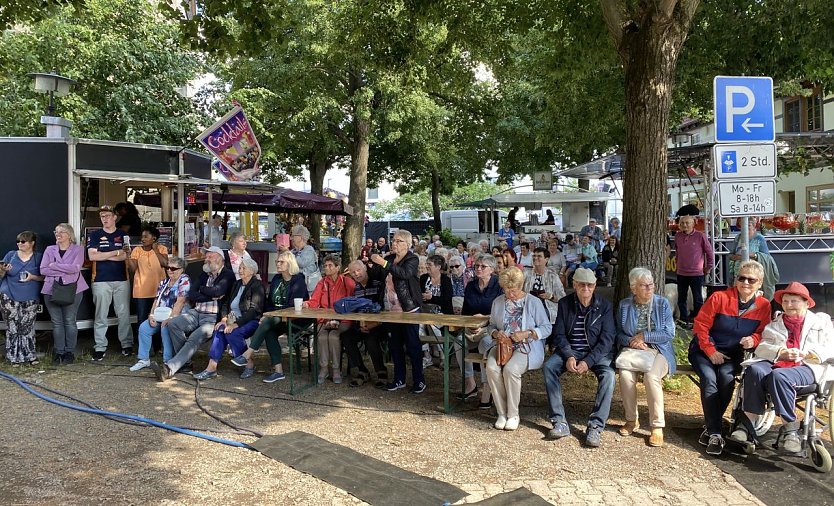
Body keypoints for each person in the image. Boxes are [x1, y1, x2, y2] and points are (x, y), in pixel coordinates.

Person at [731, 282, 834, 452]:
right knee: (755, 370)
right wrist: (780, 351)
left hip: (807, 367)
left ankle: (790, 430)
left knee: (780, 376)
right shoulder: (775, 324)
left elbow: (830, 347)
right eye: (785, 301)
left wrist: (808, 354)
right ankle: (747, 424)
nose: (789, 305)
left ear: (807, 303)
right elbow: (763, 346)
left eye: (794, 301)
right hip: (777, 362)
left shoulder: (821, 322)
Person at [689, 260, 771, 456]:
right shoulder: (719, 297)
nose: (745, 283)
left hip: (732, 354)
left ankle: (710, 427)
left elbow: (764, 332)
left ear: (759, 283)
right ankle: (716, 433)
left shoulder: (764, 305)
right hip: (703, 349)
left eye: (751, 280)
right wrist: (710, 351)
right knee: (709, 380)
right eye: (741, 278)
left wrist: (753, 339)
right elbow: (700, 326)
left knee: (726, 380)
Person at [544, 267, 616, 447]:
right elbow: (559, 334)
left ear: (595, 286)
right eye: (582, 284)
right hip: (571, 350)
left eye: (590, 285)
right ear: (574, 285)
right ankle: (559, 421)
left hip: (596, 353)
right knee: (549, 367)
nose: (586, 288)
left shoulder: (605, 306)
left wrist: (588, 361)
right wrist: (568, 355)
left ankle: (596, 426)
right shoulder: (564, 304)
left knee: (608, 376)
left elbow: (607, 340)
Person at [150, 246, 235, 381]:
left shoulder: (228, 275)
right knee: (173, 324)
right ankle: (185, 363)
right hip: (196, 312)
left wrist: (204, 291)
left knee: (195, 337)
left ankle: (169, 368)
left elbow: (218, 292)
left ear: (219, 259)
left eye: (209, 256)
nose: (206, 259)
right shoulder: (203, 275)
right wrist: (207, 292)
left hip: (213, 317)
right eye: (206, 256)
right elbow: (192, 294)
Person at [482, 267, 551, 431]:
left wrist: (527, 333)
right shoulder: (498, 301)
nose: (511, 294)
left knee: (511, 370)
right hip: (502, 345)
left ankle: (513, 414)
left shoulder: (533, 302)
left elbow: (547, 328)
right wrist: (494, 333)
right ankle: (502, 412)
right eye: (507, 290)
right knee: (491, 368)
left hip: (527, 346)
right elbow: (490, 325)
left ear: (521, 286)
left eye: (514, 290)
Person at [616, 268, 676, 447]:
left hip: (659, 350)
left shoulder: (662, 304)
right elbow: (618, 333)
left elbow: (668, 333)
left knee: (651, 377)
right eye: (644, 285)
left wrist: (644, 337)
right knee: (625, 375)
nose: (649, 289)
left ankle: (657, 426)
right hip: (634, 351)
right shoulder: (625, 305)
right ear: (634, 288)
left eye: (651, 285)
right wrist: (631, 341)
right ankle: (631, 420)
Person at [231, 251, 308, 382]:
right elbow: (269, 302)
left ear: (290, 264)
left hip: (295, 319)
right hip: (275, 319)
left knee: (267, 322)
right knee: (268, 331)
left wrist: (270, 315)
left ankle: (247, 354)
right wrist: (267, 314)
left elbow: (292, 306)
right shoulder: (277, 280)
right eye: (277, 262)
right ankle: (278, 371)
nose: (278, 264)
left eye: (281, 262)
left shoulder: (298, 281)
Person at [369, 229, 426, 393]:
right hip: (391, 309)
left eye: (398, 241)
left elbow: (405, 274)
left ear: (408, 244)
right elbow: (376, 276)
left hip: (409, 308)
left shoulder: (412, 259)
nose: (394, 243)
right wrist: (372, 262)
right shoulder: (389, 258)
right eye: (393, 240)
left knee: (413, 346)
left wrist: (383, 263)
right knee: (395, 346)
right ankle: (399, 378)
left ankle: (419, 380)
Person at [193, 258, 265, 380]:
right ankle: (211, 368)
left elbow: (254, 310)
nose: (240, 270)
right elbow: (226, 303)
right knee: (219, 329)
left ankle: (249, 364)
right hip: (232, 319)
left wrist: (236, 324)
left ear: (251, 271)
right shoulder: (237, 284)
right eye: (240, 267)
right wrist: (224, 319)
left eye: (243, 268)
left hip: (249, 321)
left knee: (233, 334)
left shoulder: (257, 285)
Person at [87, 205, 133, 360]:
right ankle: (100, 346)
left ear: (115, 217)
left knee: (123, 314)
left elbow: (125, 256)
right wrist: (115, 253)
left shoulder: (123, 234)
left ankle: (126, 344)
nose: (104, 219)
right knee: (101, 315)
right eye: (102, 216)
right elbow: (93, 257)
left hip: (121, 279)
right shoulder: (95, 235)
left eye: (107, 215)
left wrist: (104, 254)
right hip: (100, 280)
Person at [129, 256, 190, 371]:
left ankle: (167, 362)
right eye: (167, 267)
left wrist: (171, 318)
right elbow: (156, 300)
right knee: (144, 328)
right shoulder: (164, 282)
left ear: (181, 269)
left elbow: (181, 301)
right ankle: (143, 359)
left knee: (165, 328)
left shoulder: (184, 280)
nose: (169, 271)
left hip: (177, 316)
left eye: (173, 268)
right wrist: (151, 315)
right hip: (160, 315)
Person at [40, 223, 88, 364]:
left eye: (62, 232)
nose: (58, 234)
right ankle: (59, 352)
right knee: (57, 323)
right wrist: (64, 269)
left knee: (69, 322)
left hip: (72, 290)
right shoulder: (50, 249)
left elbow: (75, 268)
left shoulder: (78, 249)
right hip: (51, 290)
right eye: (56, 232)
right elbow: (43, 270)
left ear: (70, 235)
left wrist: (54, 266)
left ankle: (69, 352)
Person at [303, 255, 356, 384]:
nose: (326, 268)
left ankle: (336, 369)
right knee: (321, 337)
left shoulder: (347, 282)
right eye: (325, 265)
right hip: (324, 320)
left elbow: (353, 302)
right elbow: (315, 300)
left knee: (333, 336)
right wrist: (307, 304)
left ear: (338, 267)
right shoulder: (322, 282)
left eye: (330, 265)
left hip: (343, 320)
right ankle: (324, 368)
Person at [461, 254, 503, 407]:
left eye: (483, 266)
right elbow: (465, 311)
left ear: (491, 269)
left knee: (484, 344)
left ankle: (487, 388)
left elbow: (502, 315)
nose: (478, 269)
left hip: (490, 329)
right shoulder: (471, 286)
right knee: (458, 342)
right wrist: (470, 324)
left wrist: (484, 318)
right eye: (476, 266)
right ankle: (470, 383)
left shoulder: (499, 286)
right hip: (471, 328)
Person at [342, 260, 388, 387]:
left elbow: (384, 309)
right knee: (346, 336)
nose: (356, 274)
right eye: (353, 272)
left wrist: (372, 324)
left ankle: (381, 371)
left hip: (379, 324)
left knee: (371, 339)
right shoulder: (355, 288)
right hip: (361, 324)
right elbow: (354, 310)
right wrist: (360, 325)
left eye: (358, 270)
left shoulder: (378, 284)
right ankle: (362, 370)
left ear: (365, 269)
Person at [0, 231, 44, 366]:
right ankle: (13, 357)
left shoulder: (39, 257)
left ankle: (29, 355)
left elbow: (45, 277)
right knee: (12, 327)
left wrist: (32, 277)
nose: (20, 244)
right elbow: (1, 275)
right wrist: (3, 270)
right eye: (18, 241)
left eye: (23, 241)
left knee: (27, 327)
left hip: (30, 296)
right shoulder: (11, 255)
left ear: (32, 243)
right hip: (9, 295)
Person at [126, 226, 169, 334]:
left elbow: (165, 264)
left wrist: (155, 250)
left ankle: (157, 347)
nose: (142, 239)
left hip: (159, 291)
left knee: (158, 318)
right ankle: (143, 347)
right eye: (142, 237)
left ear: (154, 238)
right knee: (142, 319)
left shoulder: (162, 249)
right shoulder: (137, 250)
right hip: (141, 291)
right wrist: (127, 255)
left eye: (146, 237)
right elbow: (132, 269)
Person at [674, 215, 714, 326]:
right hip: (681, 272)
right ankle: (683, 320)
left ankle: (699, 322)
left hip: (696, 273)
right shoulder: (677, 236)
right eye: (682, 223)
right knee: (681, 298)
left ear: (693, 223)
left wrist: (709, 266)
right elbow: (677, 252)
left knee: (698, 299)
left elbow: (709, 252)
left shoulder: (700, 236)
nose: (684, 225)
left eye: (687, 223)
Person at [523, 247, 565, 324]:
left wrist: (551, 297)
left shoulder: (552, 276)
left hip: (546, 306)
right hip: (528, 306)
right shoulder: (526, 274)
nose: (535, 258)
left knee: (542, 316)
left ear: (546, 259)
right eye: (534, 256)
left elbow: (562, 297)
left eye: (539, 256)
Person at [728, 220, 772, 292]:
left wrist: (752, 255)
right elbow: (730, 255)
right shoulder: (738, 237)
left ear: (754, 226)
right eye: (743, 225)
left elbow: (767, 257)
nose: (745, 227)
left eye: (748, 225)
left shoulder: (759, 238)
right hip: (738, 274)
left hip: (754, 274)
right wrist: (739, 257)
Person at [279, 225, 320, 293]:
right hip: (295, 284)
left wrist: (287, 252)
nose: (291, 238)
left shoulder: (309, 250)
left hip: (307, 287)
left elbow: (302, 263)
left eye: (293, 235)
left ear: (300, 237)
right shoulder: (294, 251)